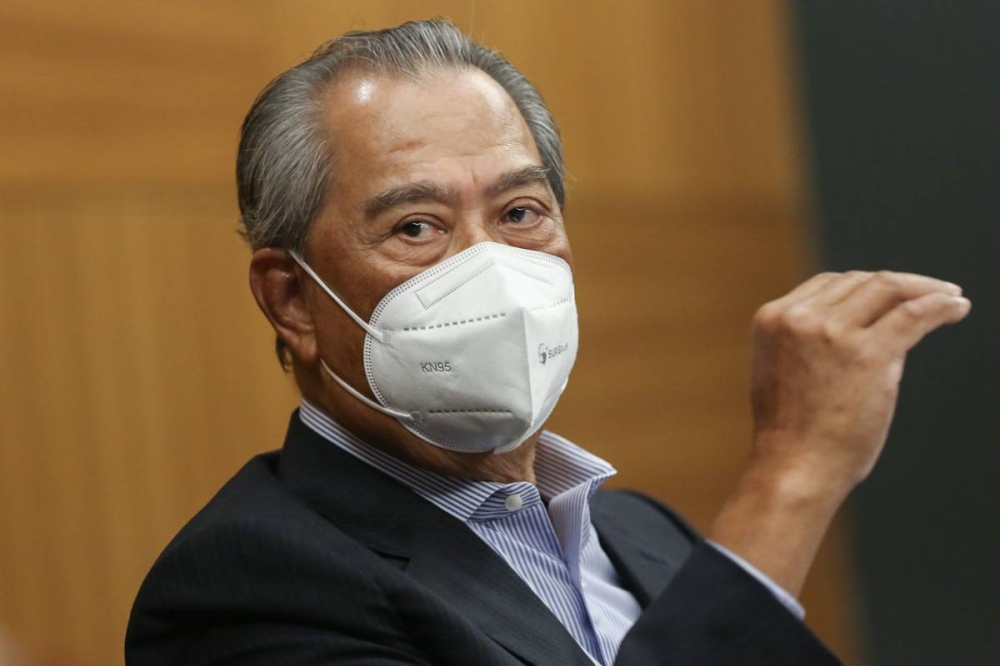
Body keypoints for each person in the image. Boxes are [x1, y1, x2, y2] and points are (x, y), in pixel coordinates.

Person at [125, 19, 970, 665]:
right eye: (417, 226)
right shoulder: (247, 584)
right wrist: (793, 475)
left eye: (520, 212)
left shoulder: (643, 534)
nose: (490, 266)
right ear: (293, 300)